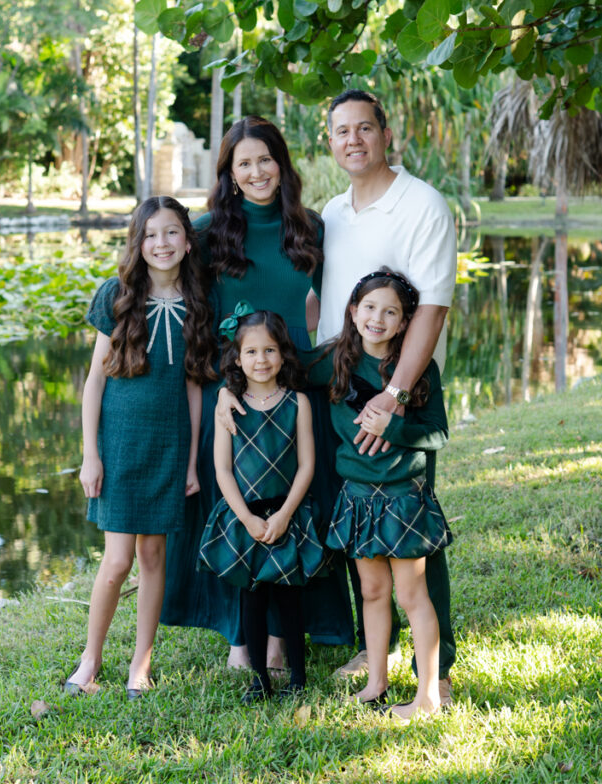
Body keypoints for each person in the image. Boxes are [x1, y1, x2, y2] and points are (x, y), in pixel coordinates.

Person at [161, 116, 353, 667]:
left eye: (264, 159)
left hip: (298, 390)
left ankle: (289, 631)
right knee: (237, 506)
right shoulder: (206, 232)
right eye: (243, 163)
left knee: (299, 505)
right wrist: (222, 386)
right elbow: (196, 316)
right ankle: (239, 636)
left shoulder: (310, 227)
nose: (256, 171)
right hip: (235, 391)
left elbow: (343, 302)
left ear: (281, 164)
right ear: (230, 174)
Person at [315, 89, 457, 700]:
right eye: (341, 131)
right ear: (330, 142)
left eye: (364, 128)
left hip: (404, 397)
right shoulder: (332, 212)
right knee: (361, 519)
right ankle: (378, 655)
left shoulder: (422, 204)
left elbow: (431, 306)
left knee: (414, 524)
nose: (354, 140)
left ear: (385, 132)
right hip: (344, 388)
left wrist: (395, 394)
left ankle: (438, 667)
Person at [63, 196, 216, 698]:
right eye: (151, 235)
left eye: (172, 232)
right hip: (121, 448)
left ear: (187, 240)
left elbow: (194, 387)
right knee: (116, 561)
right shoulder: (117, 296)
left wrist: (192, 460)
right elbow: (93, 382)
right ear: (138, 242)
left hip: (170, 449)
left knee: (154, 558)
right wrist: (91, 454)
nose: (162, 243)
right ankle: (90, 659)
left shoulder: (198, 304)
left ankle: (141, 664)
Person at [312, 269, 451, 718]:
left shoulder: (418, 368)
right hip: (355, 496)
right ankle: (376, 683)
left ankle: (428, 696)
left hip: (401, 498)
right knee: (372, 592)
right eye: (369, 307)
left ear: (405, 322)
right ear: (353, 312)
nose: (378, 318)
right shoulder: (333, 361)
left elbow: (438, 435)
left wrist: (394, 426)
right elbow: (281, 365)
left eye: (391, 311)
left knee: (412, 595)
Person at [199, 308, 325, 702]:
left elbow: (307, 465)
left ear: (283, 354)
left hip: (286, 515)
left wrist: (285, 514)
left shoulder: (297, 404)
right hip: (246, 518)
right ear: (237, 358)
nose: (261, 360)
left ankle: (298, 679)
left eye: (269, 350)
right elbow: (222, 470)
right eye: (251, 352)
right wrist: (247, 518)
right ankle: (260, 680)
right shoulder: (230, 407)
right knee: (251, 599)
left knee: (290, 598)